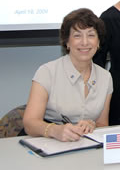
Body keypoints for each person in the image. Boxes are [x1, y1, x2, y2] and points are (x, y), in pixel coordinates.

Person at [23, 9, 112, 142]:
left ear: (98, 42)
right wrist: (55, 130)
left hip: (85, 145)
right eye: (77, 36)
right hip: (48, 143)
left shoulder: (106, 77)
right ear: (67, 42)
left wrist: (92, 125)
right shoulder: (47, 72)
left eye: (91, 35)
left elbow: (103, 124)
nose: (85, 42)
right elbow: (30, 123)